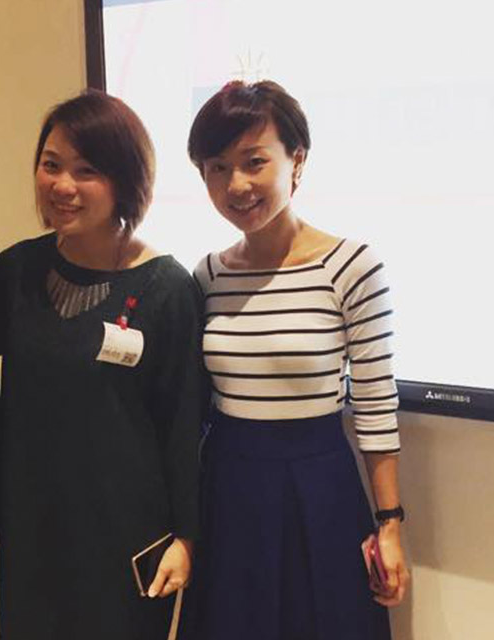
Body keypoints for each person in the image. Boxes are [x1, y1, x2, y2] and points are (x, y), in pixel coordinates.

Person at [185, 80, 410, 640]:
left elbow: (375, 405)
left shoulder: (352, 266)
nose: (236, 184)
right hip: (228, 487)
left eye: (254, 162)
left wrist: (390, 525)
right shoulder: (207, 274)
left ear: (297, 160)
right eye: (217, 168)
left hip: (319, 484)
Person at [0, 90, 206, 640]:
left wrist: (187, 537)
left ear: (126, 179)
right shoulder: (15, 271)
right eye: (51, 165)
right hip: (33, 532)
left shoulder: (167, 288)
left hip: (127, 538)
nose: (63, 185)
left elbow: (184, 423)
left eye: (86, 170)